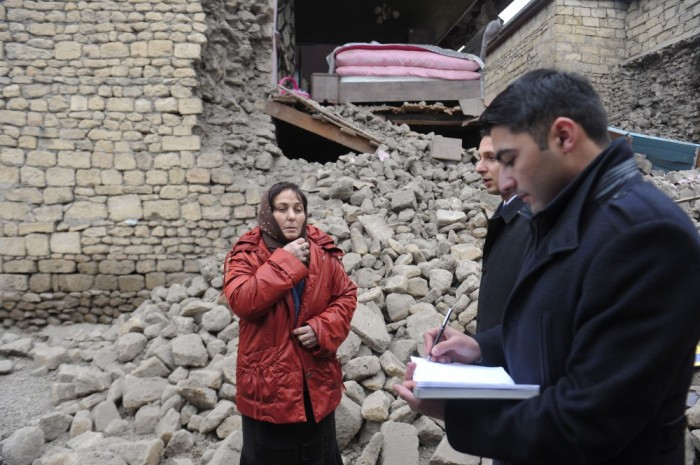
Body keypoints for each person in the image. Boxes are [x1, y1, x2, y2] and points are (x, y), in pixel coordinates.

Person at [394, 69, 700, 465]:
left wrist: (460, 413)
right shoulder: (568, 214)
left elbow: (592, 422)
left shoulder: (644, 236)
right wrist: (482, 347)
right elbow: (556, 327)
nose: (505, 182)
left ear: (563, 136)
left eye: (511, 159)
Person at [223, 181, 357, 465]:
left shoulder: (321, 248)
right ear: (267, 213)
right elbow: (243, 302)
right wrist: (284, 261)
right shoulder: (247, 253)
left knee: (318, 455)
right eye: (282, 209)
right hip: (270, 388)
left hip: (315, 381)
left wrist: (321, 329)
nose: (292, 216)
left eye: (298, 209)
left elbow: (345, 295)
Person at [474, 135, 531, 332]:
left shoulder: (534, 225)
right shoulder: (508, 211)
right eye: (479, 157)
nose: (479, 167)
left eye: (491, 157)